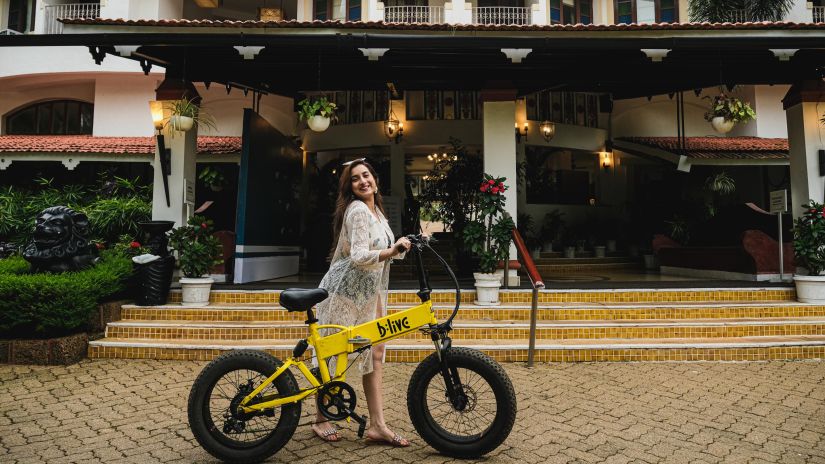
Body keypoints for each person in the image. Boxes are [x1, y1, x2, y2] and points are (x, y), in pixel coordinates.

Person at [312, 158, 412, 447]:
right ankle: (321, 419)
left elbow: (385, 250)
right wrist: (393, 250)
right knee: (334, 355)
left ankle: (378, 425)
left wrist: (403, 245)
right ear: (350, 187)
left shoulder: (377, 212)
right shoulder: (357, 211)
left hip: (370, 293)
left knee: (376, 354)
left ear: (375, 179)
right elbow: (358, 255)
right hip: (343, 291)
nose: (362, 181)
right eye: (355, 179)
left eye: (365, 175)